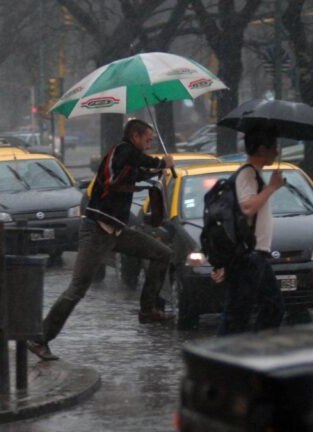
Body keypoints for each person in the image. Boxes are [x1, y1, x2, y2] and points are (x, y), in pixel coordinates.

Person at [28, 119, 176, 361]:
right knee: (77, 289)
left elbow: (133, 173)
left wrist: (156, 172)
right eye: (148, 140)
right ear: (135, 136)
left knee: (162, 253)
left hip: (116, 231)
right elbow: (133, 163)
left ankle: (148, 309)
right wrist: (161, 162)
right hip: (96, 232)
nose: (149, 145)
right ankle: (39, 338)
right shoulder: (121, 151)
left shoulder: (126, 161)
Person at [211, 130, 286, 335]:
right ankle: (218, 361)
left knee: (273, 307)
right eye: (274, 147)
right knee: (237, 315)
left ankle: (252, 352)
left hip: (256, 256)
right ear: (262, 149)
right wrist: (272, 187)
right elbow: (247, 207)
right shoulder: (247, 173)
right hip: (248, 257)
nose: (277, 152)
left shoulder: (254, 174)